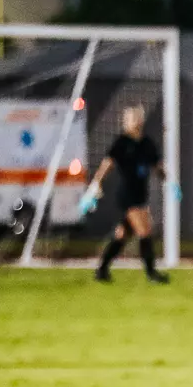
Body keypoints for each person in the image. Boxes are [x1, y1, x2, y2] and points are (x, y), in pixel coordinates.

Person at [83, 106, 170, 284]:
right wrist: (96, 184)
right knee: (145, 231)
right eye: (130, 118)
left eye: (137, 117)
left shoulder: (147, 143)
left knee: (122, 235)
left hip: (140, 194)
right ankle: (152, 273)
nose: (134, 121)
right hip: (127, 195)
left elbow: (157, 166)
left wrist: (169, 181)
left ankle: (102, 270)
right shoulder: (121, 143)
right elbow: (107, 164)